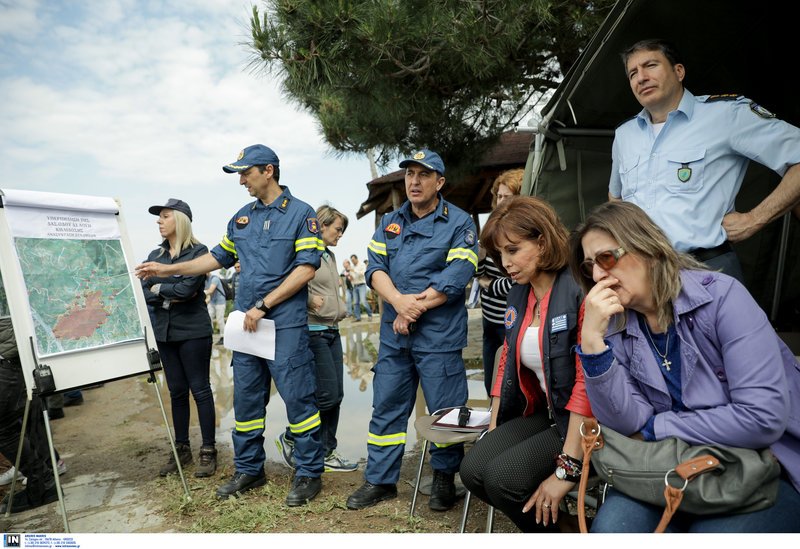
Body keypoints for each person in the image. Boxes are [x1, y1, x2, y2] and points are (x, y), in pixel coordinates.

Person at [570, 200, 800, 533]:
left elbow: (761, 417)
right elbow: (625, 422)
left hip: (763, 464)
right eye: (589, 265)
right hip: (668, 464)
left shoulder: (723, 298)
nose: (596, 275)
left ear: (648, 248)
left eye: (606, 258)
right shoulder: (616, 327)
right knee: (612, 531)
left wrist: (657, 428)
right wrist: (592, 343)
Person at [136, 144, 325, 506]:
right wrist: (167, 269)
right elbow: (215, 259)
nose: (241, 181)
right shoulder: (241, 218)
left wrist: (264, 305)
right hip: (248, 327)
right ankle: (250, 469)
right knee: (247, 400)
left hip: (283, 325)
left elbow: (305, 269)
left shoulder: (301, 214)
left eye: (246, 173)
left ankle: (308, 473)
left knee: (298, 400)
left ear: (268, 171)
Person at [346, 149, 478, 511]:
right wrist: (398, 303)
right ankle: (380, 481)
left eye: (424, 175)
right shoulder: (390, 221)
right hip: (395, 336)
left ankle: (444, 479)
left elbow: (456, 276)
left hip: (439, 336)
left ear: (440, 182)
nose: (414, 181)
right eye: (409, 174)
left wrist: (410, 308)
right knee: (387, 405)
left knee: (446, 411)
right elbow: (374, 269)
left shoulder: (460, 222)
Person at [610, 38, 800, 281]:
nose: (641, 77)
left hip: (706, 270)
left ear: (679, 71)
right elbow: (616, 199)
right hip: (641, 276)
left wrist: (754, 219)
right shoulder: (624, 134)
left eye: (651, 65)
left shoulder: (726, 114)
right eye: (633, 73)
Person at [459, 196, 591, 531]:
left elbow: (586, 381)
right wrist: (494, 427)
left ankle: (565, 532)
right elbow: (506, 358)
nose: (505, 263)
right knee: (473, 470)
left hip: (585, 421)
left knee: (503, 479)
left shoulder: (577, 289)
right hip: (547, 413)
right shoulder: (519, 293)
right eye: (500, 254)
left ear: (542, 242)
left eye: (513, 250)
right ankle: (563, 528)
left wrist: (567, 467)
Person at [275, 205, 358, 473]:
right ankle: (293, 435)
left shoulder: (330, 256)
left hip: (332, 330)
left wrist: (340, 308)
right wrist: (310, 300)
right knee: (326, 395)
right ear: (321, 226)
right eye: (337, 229)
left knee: (337, 395)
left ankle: (327, 451)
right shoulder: (303, 253)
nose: (340, 234)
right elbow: (286, 284)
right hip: (313, 332)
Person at [141, 198, 217, 478]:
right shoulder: (154, 255)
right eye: (159, 217)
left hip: (193, 332)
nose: (159, 221)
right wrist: (166, 292)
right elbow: (144, 291)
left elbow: (187, 291)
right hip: (165, 333)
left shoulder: (199, 252)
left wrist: (159, 287)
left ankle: (208, 450)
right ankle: (182, 449)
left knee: (200, 389)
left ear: (180, 220)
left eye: (165, 216)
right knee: (176, 392)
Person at [0, 275, 58, 514]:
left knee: (5, 428)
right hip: (13, 356)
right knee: (20, 421)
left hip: (7, 357)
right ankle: (44, 477)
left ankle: (41, 483)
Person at [476, 168, 522, 396]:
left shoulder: (523, 233)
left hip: (512, 320)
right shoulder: (491, 231)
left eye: (508, 196)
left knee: (511, 385)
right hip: (489, 320)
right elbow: (478, 274)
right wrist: (479, 258)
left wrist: (490, 285)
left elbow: (518, 280)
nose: (501, 202)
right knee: (490, 383)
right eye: (499, 196)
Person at [349, 254, 373, 322]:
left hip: (362, 285)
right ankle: (358, 318)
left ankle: (370, 315)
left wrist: (354, 271)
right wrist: (350, 278)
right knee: (355, 303)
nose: (352, 261)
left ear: (356, 259)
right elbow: (353, 277)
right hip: (355, 286)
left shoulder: (362, 265)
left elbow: (363, 274)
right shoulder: (352, 267)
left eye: (353, 260)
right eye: (351, 260)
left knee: (363, 301)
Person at [204, 271, 227, 336]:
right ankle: (210, 334)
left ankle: (223, 336)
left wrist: (200, 293)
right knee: (208, 317)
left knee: (219, 320)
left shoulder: (214, 278)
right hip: (212, 302)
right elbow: (208, 295)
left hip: (220, 302)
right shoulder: (205, 281)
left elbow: (210, 290)